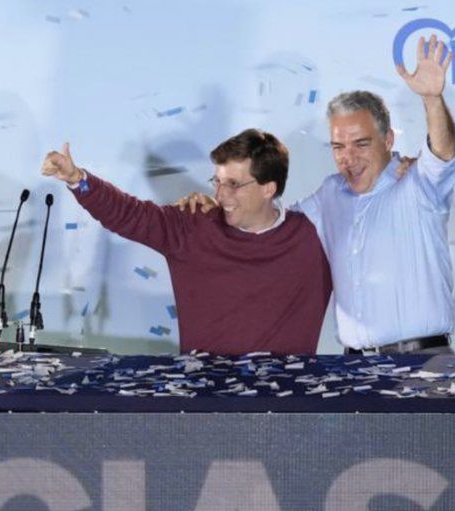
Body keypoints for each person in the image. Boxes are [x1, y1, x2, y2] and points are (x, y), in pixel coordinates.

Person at [179, 35, 455, 354]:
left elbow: (442, 151)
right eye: (338, 146)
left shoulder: (418, 183)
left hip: (422, 363)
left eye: (361, 144)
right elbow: (269, 216)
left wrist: (432, 99)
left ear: (387, 141)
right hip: (354, 369)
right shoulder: (330, 193)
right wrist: (221, 203)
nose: (348, 157)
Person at [41, 129, 331, 355]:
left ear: (269, 188)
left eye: (233, 184)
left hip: (288, 412)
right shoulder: (193, 225)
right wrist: (77, 178)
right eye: (217, 181)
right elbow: (128, 213)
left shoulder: (316, 238)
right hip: (203, 406)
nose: (221, 195)